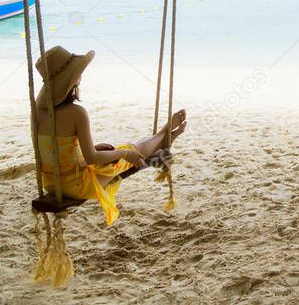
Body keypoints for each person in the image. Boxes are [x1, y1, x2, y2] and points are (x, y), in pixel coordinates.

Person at [34, 45, 187, 225]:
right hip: (77, 186)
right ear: (73, 79)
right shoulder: (77, 113)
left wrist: (91, 152)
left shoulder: (36, 110)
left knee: (122, 151)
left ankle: (161, 138)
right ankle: (164, 133)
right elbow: (92, 158)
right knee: (129, 151)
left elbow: (51, 153)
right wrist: (124, 154)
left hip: (52, 183)